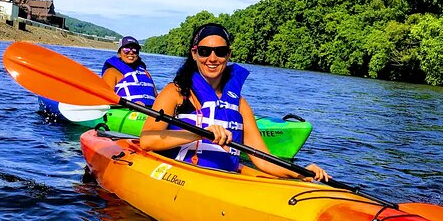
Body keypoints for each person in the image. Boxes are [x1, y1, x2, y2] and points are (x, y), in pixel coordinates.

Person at [140, 22, 329, 182]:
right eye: (205, 51)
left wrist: (300, 172)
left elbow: (262, 159)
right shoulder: (176, 92)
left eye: (220, 52)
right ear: (194, 53)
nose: (212, 58)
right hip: (184, 177)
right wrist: (198, 133)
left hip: (226, 180)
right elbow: (147, 140)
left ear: (228, 55)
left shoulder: (240, 104)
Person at [102, 36, 157, 106]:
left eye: (134, 50)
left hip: (150, 112)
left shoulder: (145, 73)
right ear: (119, 53)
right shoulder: (111, 72)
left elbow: (157, 96)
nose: (131, 52)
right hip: (125, 112)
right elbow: (105, 100)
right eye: (126, 49)